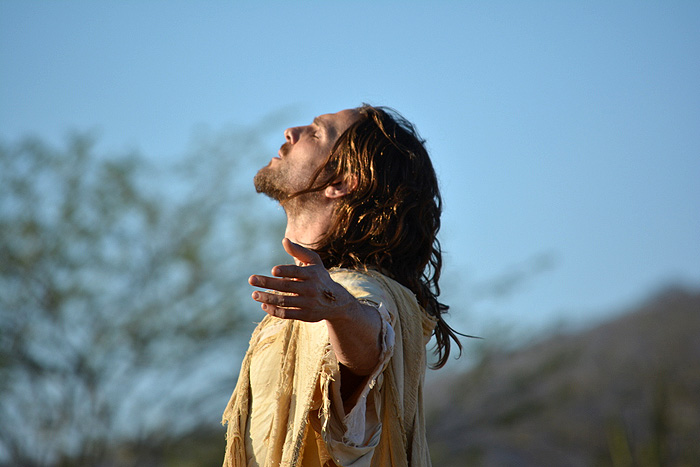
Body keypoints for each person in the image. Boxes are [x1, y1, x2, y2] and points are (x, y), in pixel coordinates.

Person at [222, 105, 462, 467]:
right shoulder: (326, 295)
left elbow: (373, 341)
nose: (291, 131)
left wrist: (340, 309)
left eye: (317, 133)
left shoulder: (357, 289)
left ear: (342, 182)